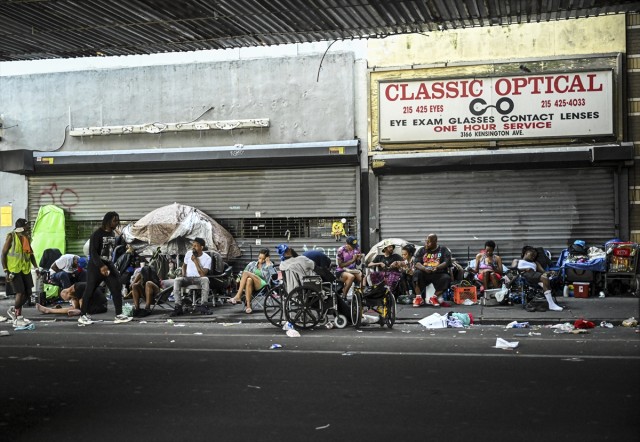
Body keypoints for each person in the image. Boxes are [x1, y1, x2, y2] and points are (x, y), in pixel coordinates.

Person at [78, 211, 132, 325]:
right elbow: (93, 252)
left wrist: (109, 266)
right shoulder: (97, 234)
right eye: (114, 220)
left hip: (108, 264)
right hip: (95, 266)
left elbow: (109, 252)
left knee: (116, 286)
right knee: (90, 290)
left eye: (117, 220)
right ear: (107, 221)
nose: (116, 223)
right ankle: (83, 315)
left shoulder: (112, 233)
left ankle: (119, 315)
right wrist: (101, 266)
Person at [1, 218, 38, 327]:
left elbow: (30, 254)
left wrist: (36, 268)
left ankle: (14, 310)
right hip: (14, 269)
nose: (28, 228)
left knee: (28, 293)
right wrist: (5, 270)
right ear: (21, 227)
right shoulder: (11, 237)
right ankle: (18, 317)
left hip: (25, 269)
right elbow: (3, 254)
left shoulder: (26, 238)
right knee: (20, 292)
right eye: (27, 226)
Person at [170, 238, 212, 316]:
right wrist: (183, 274)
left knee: (205, 279)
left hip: (198, 279)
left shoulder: (207, 258)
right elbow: (184, 266)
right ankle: (178, 306)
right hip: (187, 278)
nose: (193, 247)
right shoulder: (189, 253)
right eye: (193, 245)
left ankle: (204, 305)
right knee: (177, 280)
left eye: (195, 246)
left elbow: (202, 274)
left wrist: (196, 261)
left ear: (201, 247)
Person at [229, 248, 275, 314]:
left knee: (246, 273)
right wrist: (238, 279)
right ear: (258, 256)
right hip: (252, 286)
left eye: (263, 259)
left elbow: (274, 276)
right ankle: (248, 306)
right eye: (259, 258)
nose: (261, 260)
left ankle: (238, 296)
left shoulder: (269, 265)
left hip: (263, 285)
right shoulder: (252, 264)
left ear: (266, 258)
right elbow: (242, 274)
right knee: (249, 280)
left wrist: (268, 263)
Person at [518, 246, 563, 311]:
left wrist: (550, 272)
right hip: (526, 275)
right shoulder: (518, 261)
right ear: (526, 253)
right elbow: (513, 268)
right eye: (532, 254)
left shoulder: (535, 263)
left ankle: (550, 301)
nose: (533, 256)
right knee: (544, 278)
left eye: (535, 255)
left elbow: (543, 271)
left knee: (546, 277)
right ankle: (551, 304)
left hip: (535, 275)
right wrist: (525, 269)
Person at [412, 234, 452, 307]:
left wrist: (437, 267)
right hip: (425, 273)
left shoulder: (443, 250)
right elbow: (416, 263)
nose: (426, 244)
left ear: (435, 242)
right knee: (416, 273)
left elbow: (446, 262)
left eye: (429, 242)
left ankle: (434, 297)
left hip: (438, 273)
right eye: (426, 241)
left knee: (446, 278)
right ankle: (418, 298)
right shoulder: (422, 250)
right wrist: (424, 268)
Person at [35, 282, 107, 316]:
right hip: (101, 304)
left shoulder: (78, 289)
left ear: (68, 293)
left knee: (74, 308)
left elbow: (82, 303)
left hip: (100, 306)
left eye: (70, 298)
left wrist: (78, 310)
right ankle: (50, 310)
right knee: (74, 307)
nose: (71, 299)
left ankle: (49, 310)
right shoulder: (75, 288)